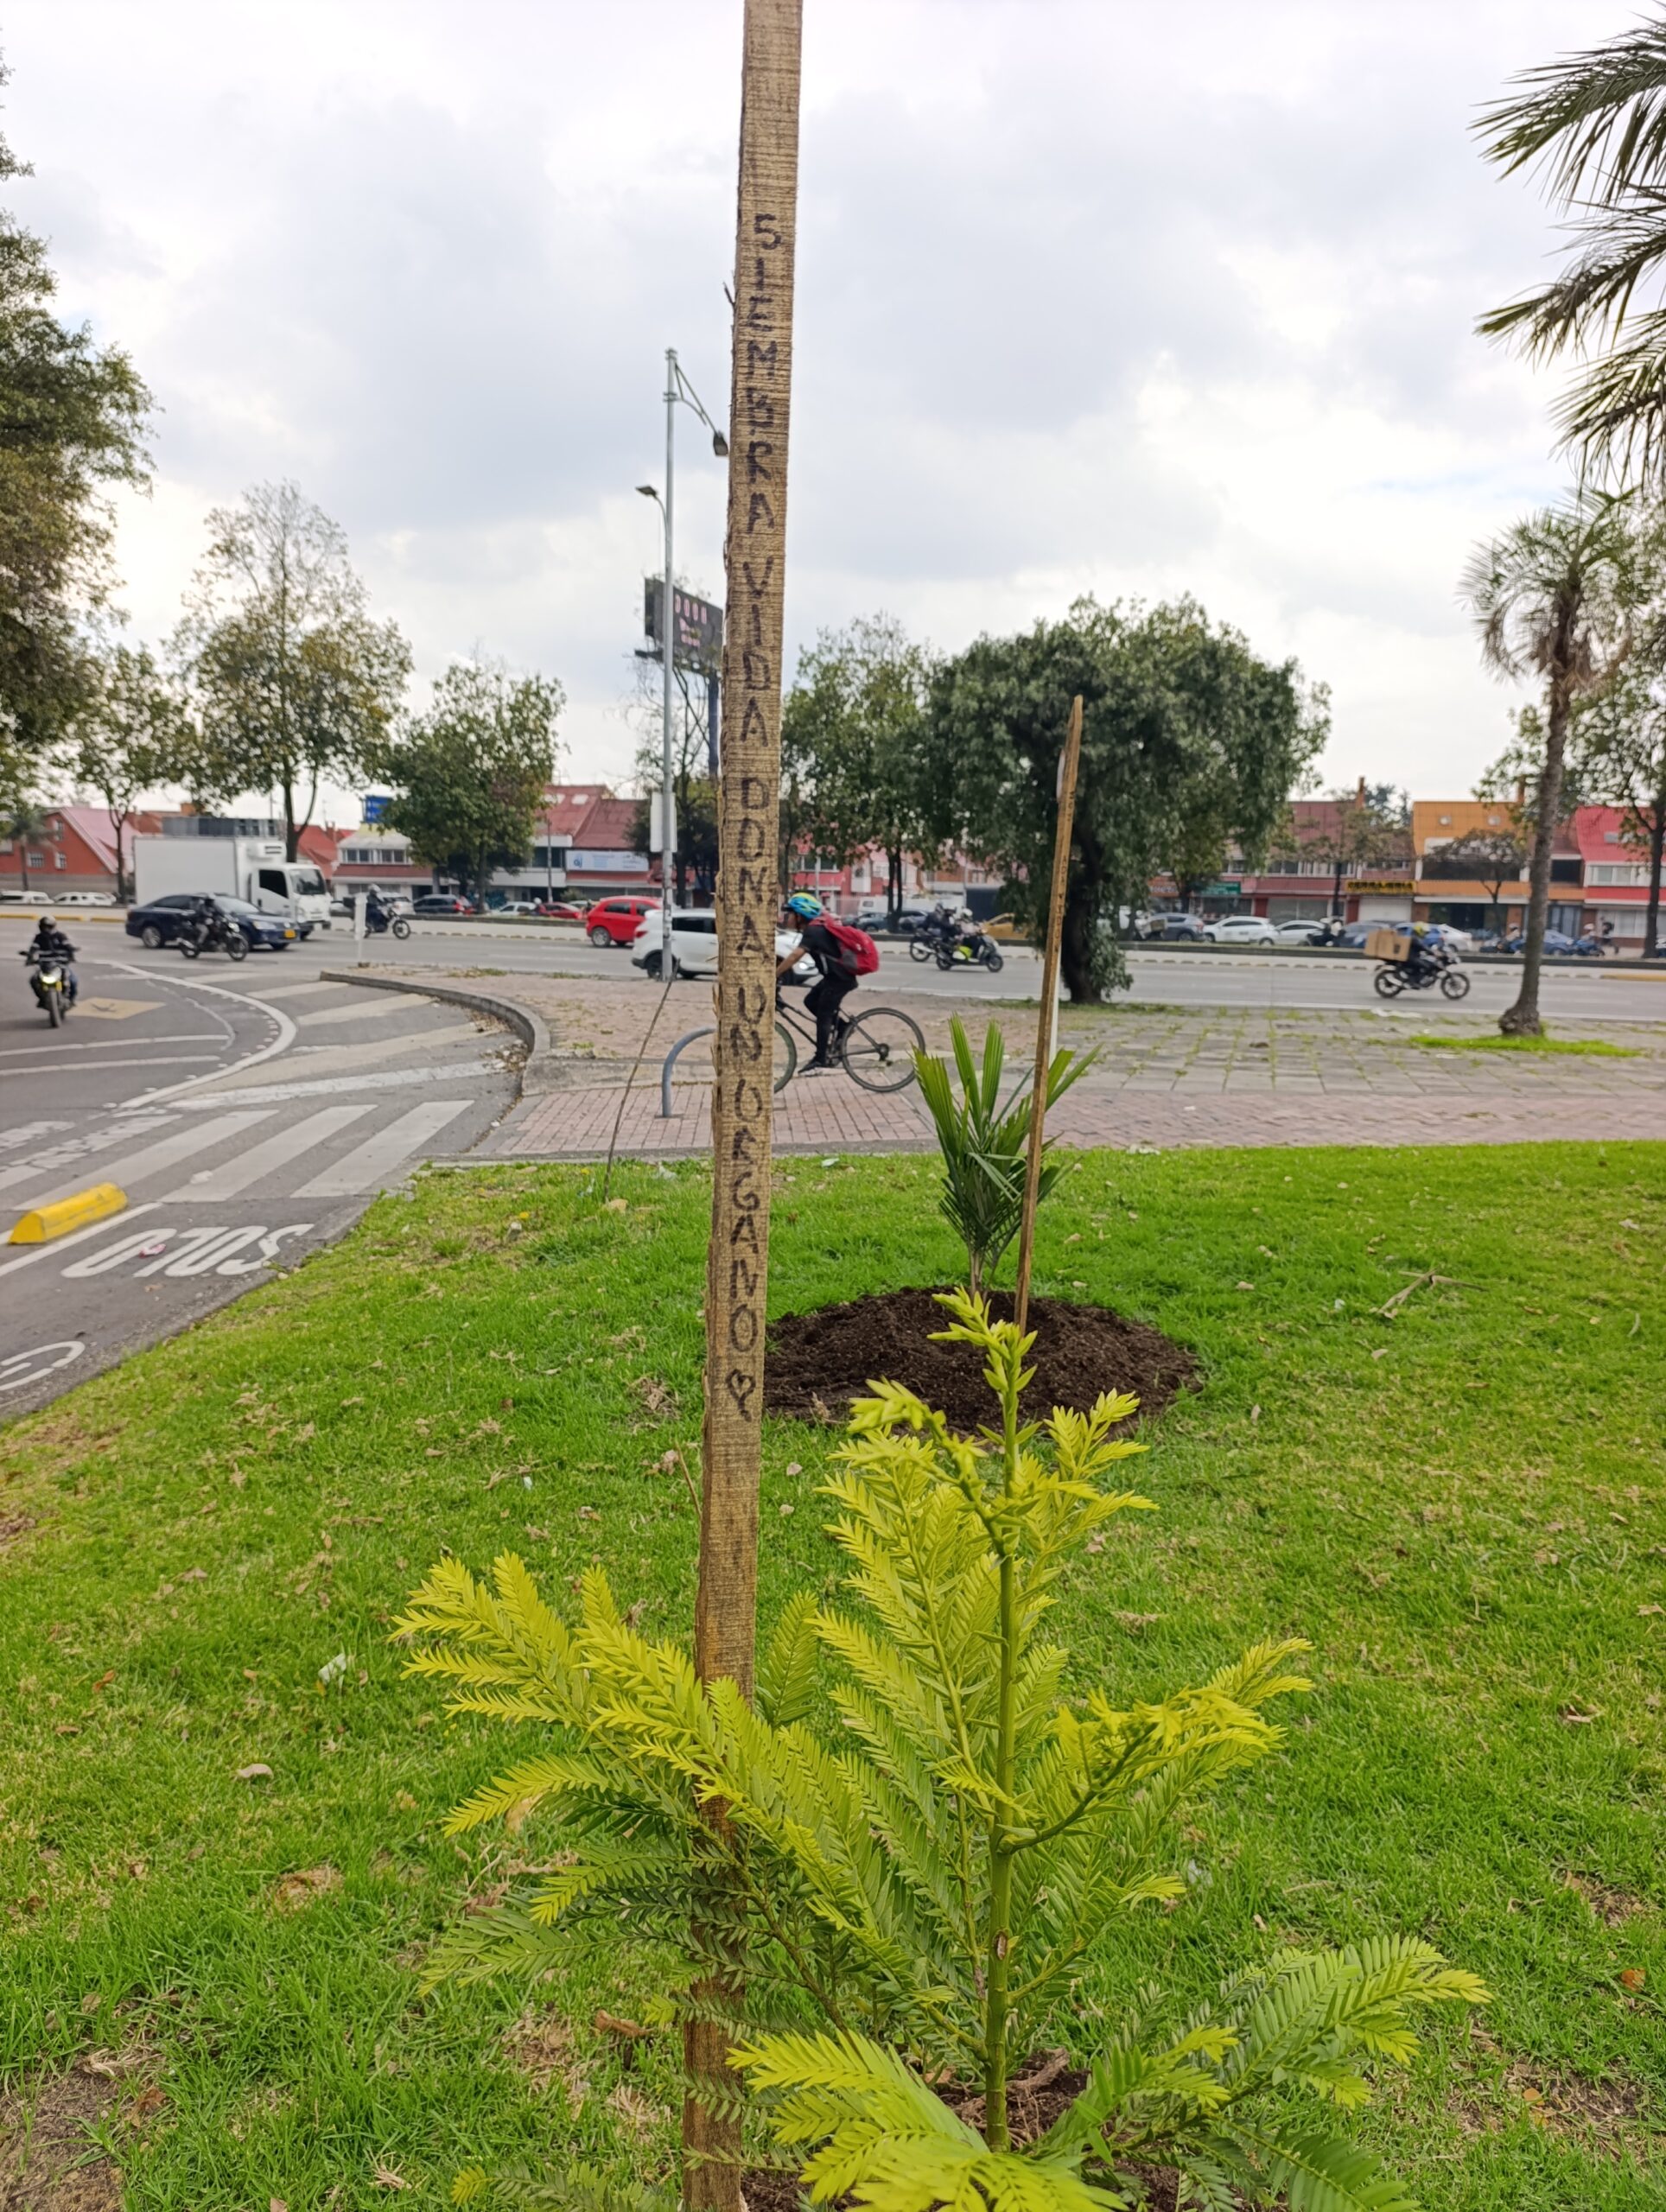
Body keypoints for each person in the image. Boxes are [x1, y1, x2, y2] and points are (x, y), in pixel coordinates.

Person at [778, 891, 860, 1073]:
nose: (787, 918)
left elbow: (795, 956)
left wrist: (775, 973)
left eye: (789, 914)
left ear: (800, 915)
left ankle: (820, 1058)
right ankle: (843, 1026)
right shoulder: (814, 929)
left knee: (824, 1014)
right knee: (810, 1001)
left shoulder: (813, 931)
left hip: (840, 980)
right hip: (835, 978)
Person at [25, 913, 79, 1003]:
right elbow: (33, 948)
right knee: (33, 980)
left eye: (48, 926)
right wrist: (29, 958)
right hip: (45, 965)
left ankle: (71, 999)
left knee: (73, 981)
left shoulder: (61, 936)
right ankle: (42, 999)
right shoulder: (39, 937)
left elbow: (68, 946)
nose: (46, 929)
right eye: (44, 927)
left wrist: (71, 955)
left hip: (60, 964)